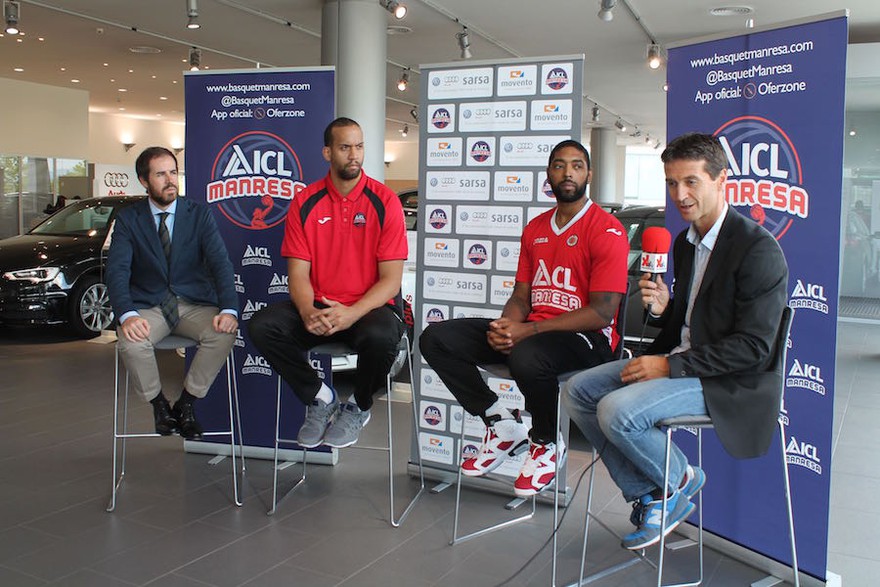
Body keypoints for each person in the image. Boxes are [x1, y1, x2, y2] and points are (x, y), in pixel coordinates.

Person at [562, 132, 789, 551]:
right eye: (671, 183)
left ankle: (679, 477)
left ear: (721, 180)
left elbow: (754, 349)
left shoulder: (757, 249)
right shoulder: (685, 244)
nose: (679, 194)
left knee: (617, 410)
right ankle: (654, 494)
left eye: (691, 182)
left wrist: (668, 366)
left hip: (730, 381)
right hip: (684, 361)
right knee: (580, 390)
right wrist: (666, 311)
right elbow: (689, 322)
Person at [419, 140, 629, 497]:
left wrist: (527, 330)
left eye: (577, 166)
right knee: (435, 338)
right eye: (559, 165)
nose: (568, 173)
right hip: (536, 332)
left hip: (588, 340)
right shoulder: (536, 228)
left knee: (527, 354)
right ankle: (500, 423)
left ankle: (546, 442)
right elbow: (521, 296)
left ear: (588, 174)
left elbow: (602, 312)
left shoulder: (607, 229)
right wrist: (506, 327)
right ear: (548, 173)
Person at [248, 117, 407, 449]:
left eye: (359, 146)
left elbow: (391, 281)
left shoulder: (385, 201)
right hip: (320, 306)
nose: (354, 155)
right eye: (345, 147)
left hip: (368, 309)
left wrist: (351, 313)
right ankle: (320, 398)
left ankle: (359, 407)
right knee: (263, 326)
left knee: (382, 336)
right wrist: (307, 311)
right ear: (327, 152)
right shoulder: (305, 202)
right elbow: (298, 274)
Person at [107, 147, 239, 440]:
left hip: (194, 304)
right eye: (160, 174)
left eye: (173, 172)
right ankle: (159, 407)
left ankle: (186, 404)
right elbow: (117, 271)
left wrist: (229, 309)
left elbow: (220, 263)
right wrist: (127, 315)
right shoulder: (129, 219)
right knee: (131, 342)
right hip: (149, 305)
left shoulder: (198, 214)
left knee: (223, 334)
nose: (170, 180)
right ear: (144, 180)